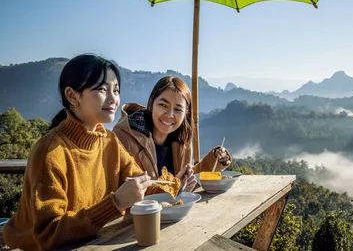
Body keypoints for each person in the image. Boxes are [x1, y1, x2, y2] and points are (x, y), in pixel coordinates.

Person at [2, 54, 164, 251]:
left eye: (116, 90)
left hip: (93, 243)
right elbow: (48, 234)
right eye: (102, 89)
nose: (114, 99)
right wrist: (116, 203)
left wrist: (175, 185)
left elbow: (141, 182)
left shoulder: (109, 141)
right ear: (72, 96)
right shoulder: (50, 152)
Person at [113, 76, 231, 192]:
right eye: (163, 105)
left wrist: (214, 160)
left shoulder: (182, 141)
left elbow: (185, 181)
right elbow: (124, 193)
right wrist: (175, 186)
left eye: (178, 109)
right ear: (151, 103)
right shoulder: (124, 138)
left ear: (186, 113)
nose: (170, 114)